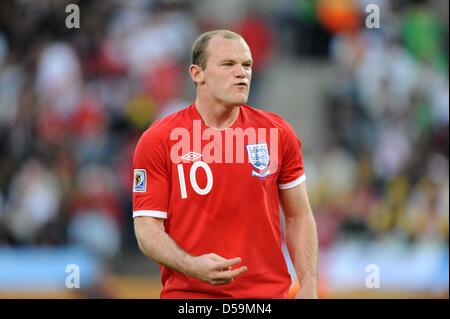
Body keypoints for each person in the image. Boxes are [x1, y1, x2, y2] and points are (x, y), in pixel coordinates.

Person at [132, 29, 318, 299]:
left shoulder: (277, 133)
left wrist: (309, 284)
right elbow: (147, 228)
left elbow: (298, 215)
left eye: (247, 65)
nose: (242, 73)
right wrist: (191, 265)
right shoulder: (159, 139)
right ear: (197, 73)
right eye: (228, 64)